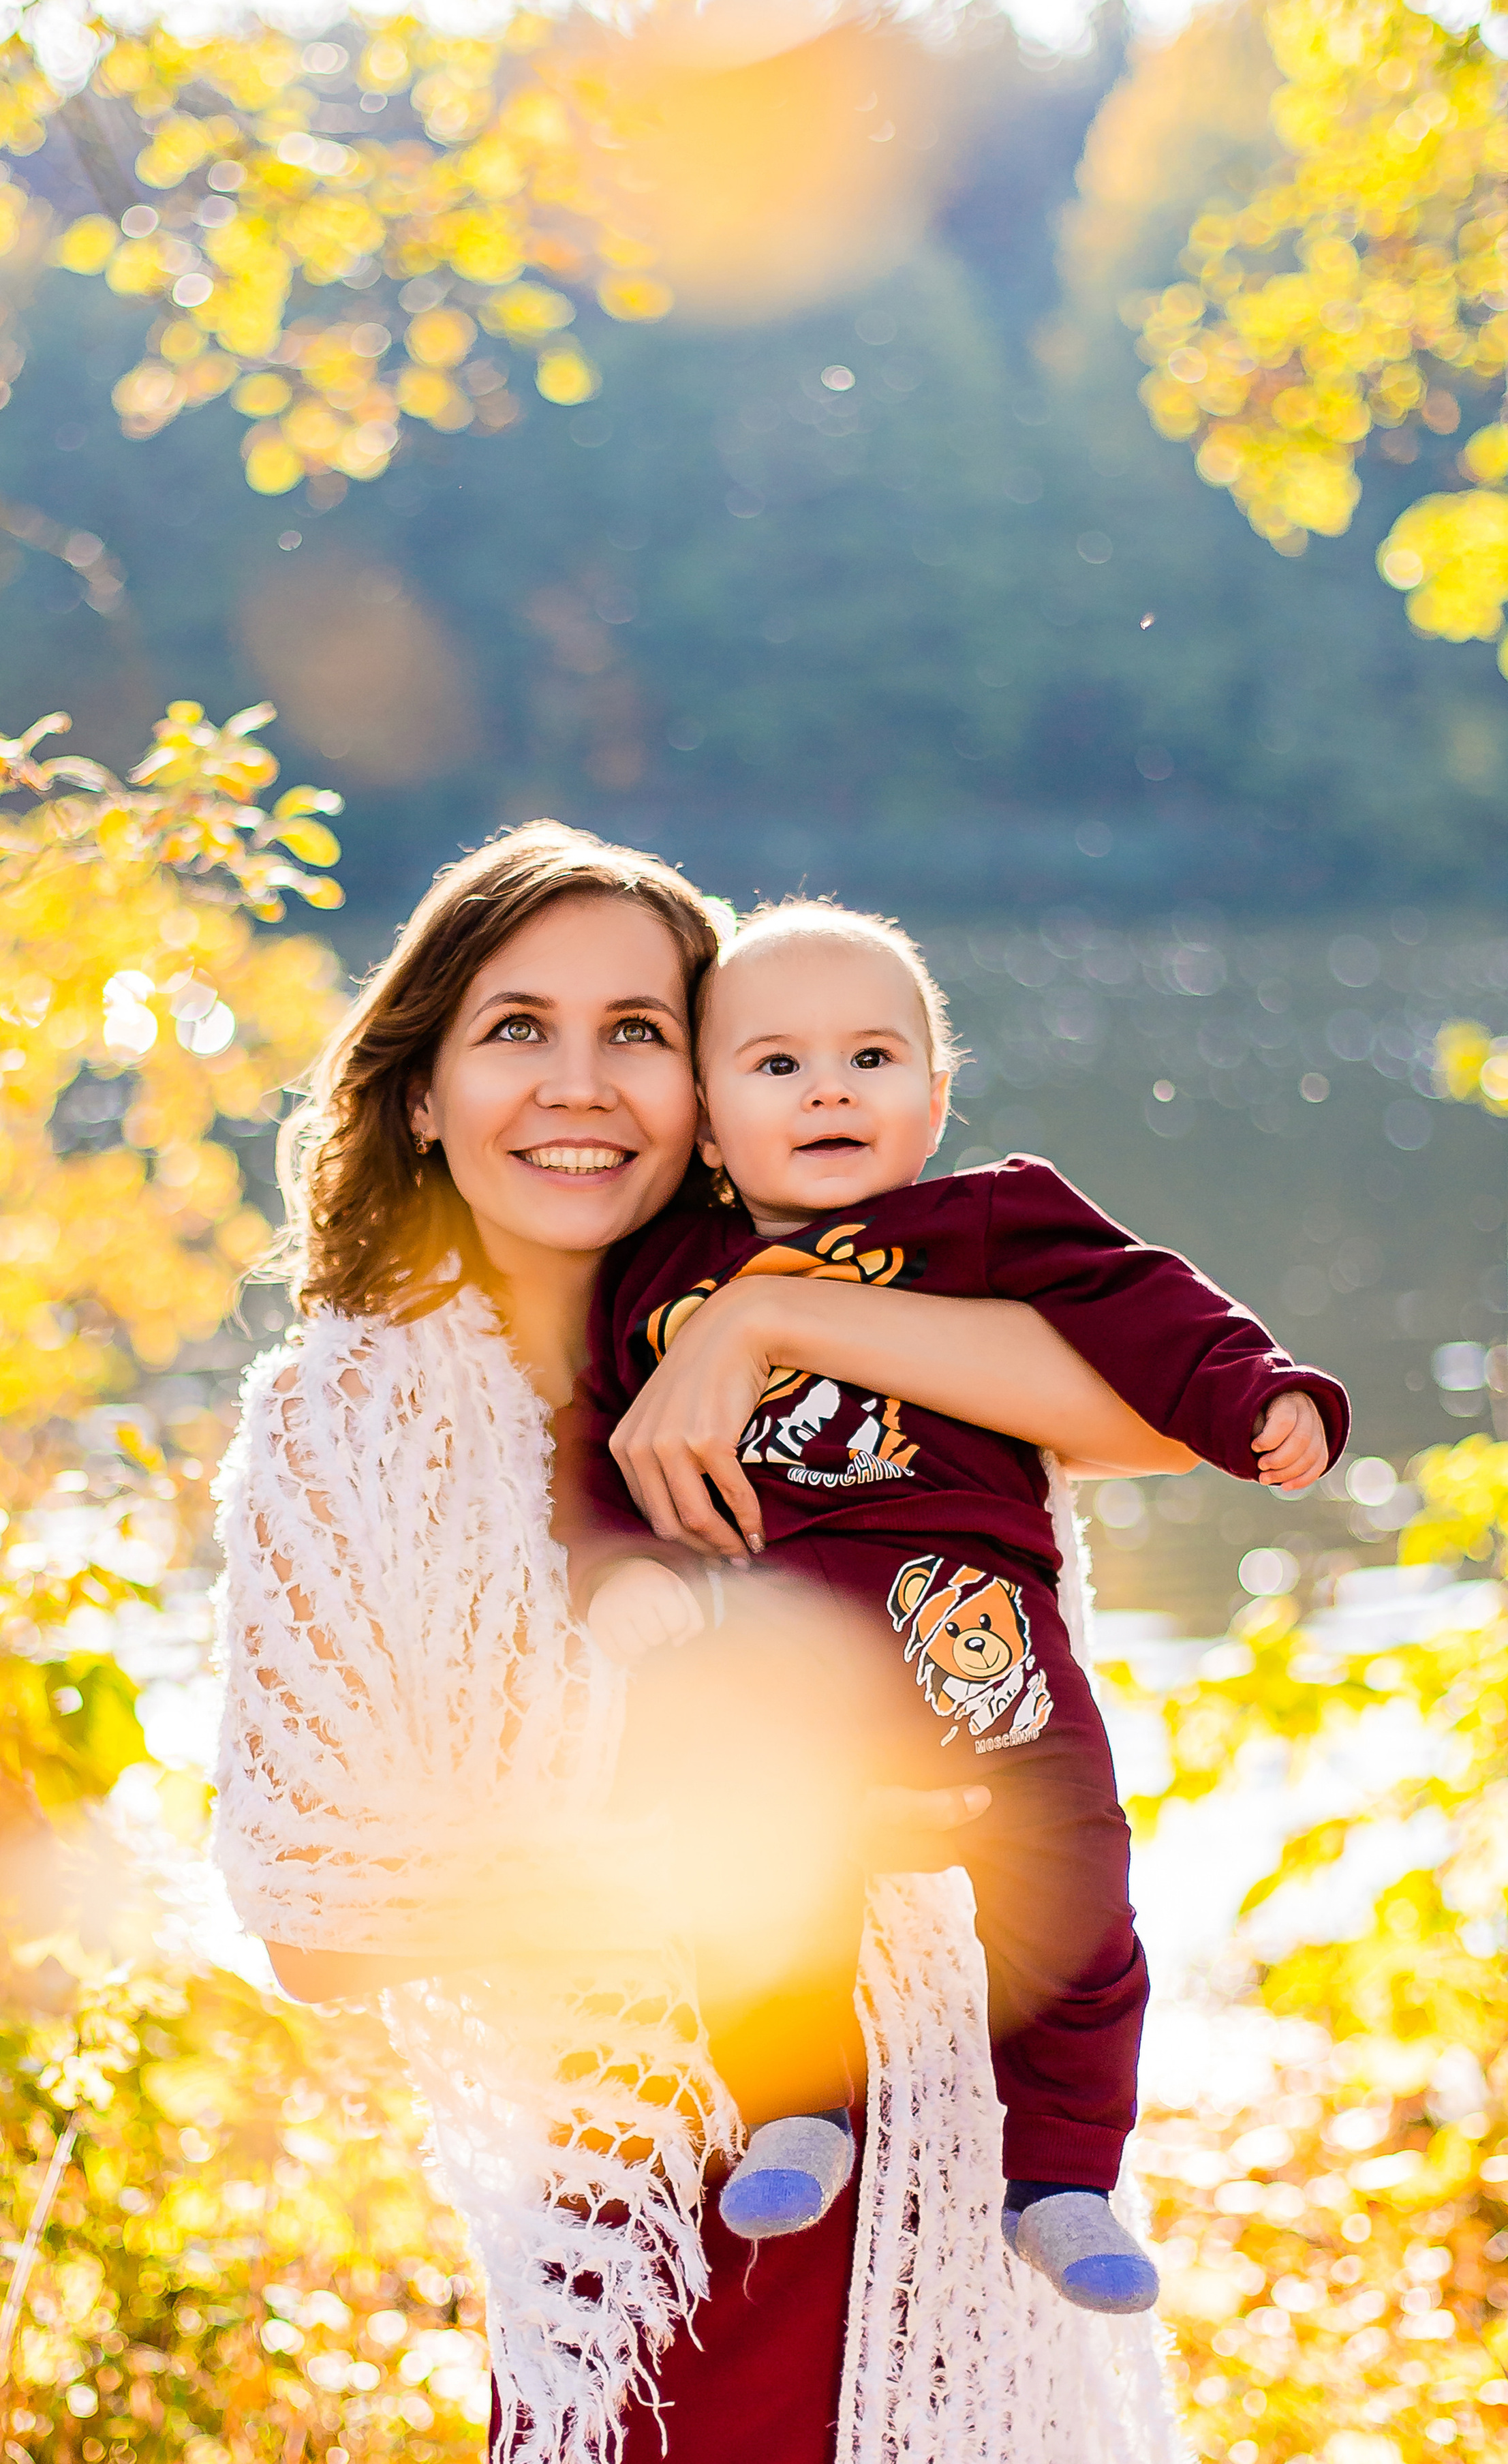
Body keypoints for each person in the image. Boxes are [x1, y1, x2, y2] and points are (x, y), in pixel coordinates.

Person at [211, 824, 1191, 2464]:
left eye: (641, 1034)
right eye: (515, 1028)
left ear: (722, 1091)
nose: (579, 1084)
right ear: (420, 1091)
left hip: (969, 2204)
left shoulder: (855, 1322)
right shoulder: (347, 1423)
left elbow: (1164, 1421)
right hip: (662, 2248)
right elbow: (317, 1922)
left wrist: (765, 1318)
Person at [559, 900, 1349, 2317]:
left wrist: (1261, 1394)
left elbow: (1149, 1308)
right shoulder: (659, 1279)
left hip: (973, 1634)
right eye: (777, 1065)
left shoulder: (984, 1225)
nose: (830, 1091)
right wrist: (628, 1582)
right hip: (771, 1643)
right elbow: (605, 1453)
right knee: (745, 1854)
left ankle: (1060, 2175)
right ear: (705, 1120)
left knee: (1072, 1884)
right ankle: (796, 2099)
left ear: (934, 1093)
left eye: (872, 1058)